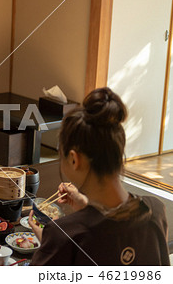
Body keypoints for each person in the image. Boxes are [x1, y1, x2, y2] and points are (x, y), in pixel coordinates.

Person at [29, 87, 170, 266]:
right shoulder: (155, 211)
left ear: (74, 159)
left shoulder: (63, 235)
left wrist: (49, 245)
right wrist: (86, 207)